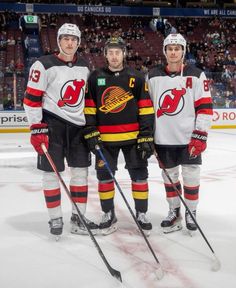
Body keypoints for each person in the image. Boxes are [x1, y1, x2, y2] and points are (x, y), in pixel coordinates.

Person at [23, 23, 98, 237]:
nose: (70, 42)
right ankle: (55, 218)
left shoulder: (84, 66)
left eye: (74, 39)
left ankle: (78, 217)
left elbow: (87, 98)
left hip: (78, 128)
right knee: (51, 175)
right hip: (53, 126)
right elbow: (31, 100)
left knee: (81, 174)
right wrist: (37, 128)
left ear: (79, 42)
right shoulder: (43, 64)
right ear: (58, 41)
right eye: (66, 38)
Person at [83, 36, 155, 236]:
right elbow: (89, 108)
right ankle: (108, 213)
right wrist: (91, 130)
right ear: (105, 54)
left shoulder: (137, 77)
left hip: (133, 139)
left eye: (118, 52)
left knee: (140, 176)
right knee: (104, 178)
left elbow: (146, 108)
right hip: (104, 140)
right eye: (110, 52)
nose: (114, 56)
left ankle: (141, 213)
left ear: (124, 53)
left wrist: (146, 135)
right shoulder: (95, 77)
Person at [147, 33, 213, 234]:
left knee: (191, 176)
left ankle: (191, 212)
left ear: (183, 51)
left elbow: (205, 107)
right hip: (163, 139)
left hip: (188, 138)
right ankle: (174, 211)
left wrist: (200, 134)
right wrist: (147, 134)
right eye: (170, 49)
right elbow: (147, 108)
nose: (173, 52)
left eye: (177, 48)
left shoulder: (196, 74)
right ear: (165, 52)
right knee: (170, 177)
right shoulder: (153, 75)